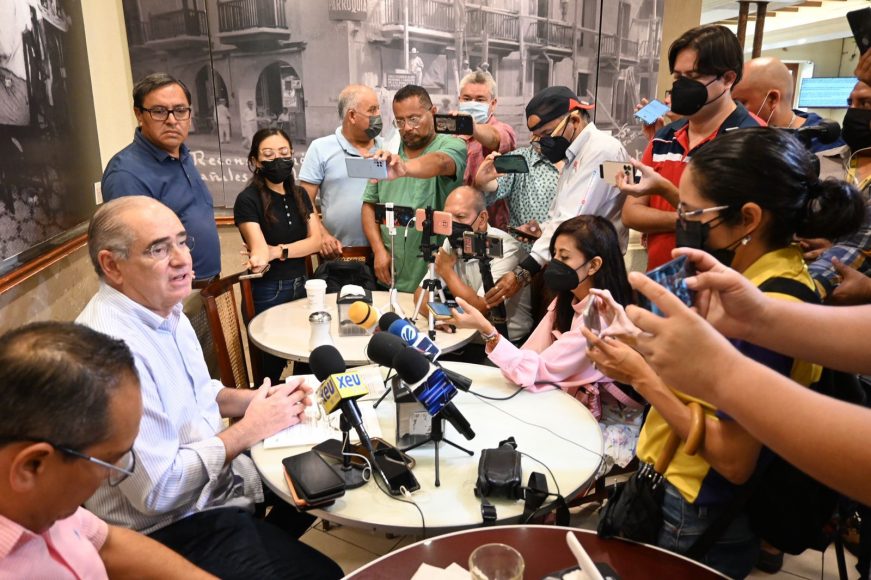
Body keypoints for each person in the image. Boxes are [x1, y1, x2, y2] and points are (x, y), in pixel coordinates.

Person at [583, 128, 864, 578]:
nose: (681, 222)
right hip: (675, 482)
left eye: (691, 213)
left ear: (748, 218)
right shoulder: (748, 282)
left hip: (694, 505)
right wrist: (639, 340)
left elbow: (733, 461)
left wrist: (641, 377)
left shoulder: (776, 298)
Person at [76, 196, 342, 580]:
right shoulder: (109, 352)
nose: (183, 259)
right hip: (168, 529)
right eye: (158, 249)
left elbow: (203, 393)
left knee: (331, 471)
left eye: (182, 242)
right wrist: (251, 428)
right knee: (324, 573)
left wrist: (265, 400)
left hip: (211, 488)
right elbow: (159, 492)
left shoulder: (165, 309)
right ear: (112, 265)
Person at [620, 249, 871, 510]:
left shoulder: (782, 285)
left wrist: (719, 372)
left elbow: (734, 462)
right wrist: (758, 318)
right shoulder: (763, 288)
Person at [0, 321, 213, 579]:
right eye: (109, 462)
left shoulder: (44, 504)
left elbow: (106, 542)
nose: (114, 473)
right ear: (31, 466)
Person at [447, 216, 640, 433]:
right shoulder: (567, 299)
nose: (555, 262)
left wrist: (487, 330)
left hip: (604, 423)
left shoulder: (600, 317)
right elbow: (532, 352)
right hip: (567, 402)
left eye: (564, 257)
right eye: (554, 254)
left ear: (594, 265)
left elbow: (538, 370)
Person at [619, 25, 761, 272]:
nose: (682, 86)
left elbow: (731, 225)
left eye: (693, 77)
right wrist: (689, 219)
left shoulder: (751, 139)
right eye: (678, 78)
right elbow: (632, 214)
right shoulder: (664, 137)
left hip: (718, 283)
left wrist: (666, 195)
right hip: (661, 277)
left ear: (728, 79)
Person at [485, 86, 629, 307]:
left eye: (547, 134)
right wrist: (542, 230)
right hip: (577, 267)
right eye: (538, 136)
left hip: (596, 270)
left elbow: (573, 217)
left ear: (574, 120)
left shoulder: (601, 150)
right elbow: (561, 213)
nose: (542, 143)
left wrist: (523, 272)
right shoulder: (574, 155)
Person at [101, 73, 221, 282]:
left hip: (205, 285)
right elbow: (132, 253)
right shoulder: (126, 174)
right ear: (139, 114)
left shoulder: (182, 155)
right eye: (159, 111)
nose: (172, 120)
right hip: (171, 292)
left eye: (180, 111)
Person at [234, 128, 322, 383]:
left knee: (309, 359)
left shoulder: (301, 194)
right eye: (269, 155)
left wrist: (278, 251)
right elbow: (259, 249)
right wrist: (263, 255)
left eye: (284, 153)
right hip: (268, 291)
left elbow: (316, 242)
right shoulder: (247, 200)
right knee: (269, 370)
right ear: (255, 161)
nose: (278, 160)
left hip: (303, 287)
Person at [361, 84, 467, 292]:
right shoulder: (388, 152)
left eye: (414, 119)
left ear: (433, 112)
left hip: (433, 276)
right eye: (400, 121)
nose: (407, 127)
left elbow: (441, 162)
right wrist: (379, 250)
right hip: (390, 273)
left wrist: (404, 168)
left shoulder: (453, 145)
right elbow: (369, 205)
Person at [418, 186, 532, 344]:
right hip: (463, 336)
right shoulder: (451, 242)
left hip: (505, 342)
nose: (453, 224)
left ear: (482, 218)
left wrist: (446, 271)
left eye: (460, 216)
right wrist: (440, 318)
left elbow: (481, 309)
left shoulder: (504, 247)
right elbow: (420, 296)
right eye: (448, 217)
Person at [805, 80, 871, 305]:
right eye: (850, 103)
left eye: (865, 103)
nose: (852, 111)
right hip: (802, 278)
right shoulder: (816, 162)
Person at [299, 84, 383, 259]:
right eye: (372, 110)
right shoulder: (320, 148)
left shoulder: (388, 148)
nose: (378, 115)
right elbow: (303, 201)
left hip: (384, 254)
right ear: (352, 115)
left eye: (378, 108)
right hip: (338, 254)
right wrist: (322, 235)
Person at [473, 103, 561, 238]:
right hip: (525, 246)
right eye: (536, 134)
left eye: (547, 132)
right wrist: (483, 182)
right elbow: (495, 185)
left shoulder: (581, 160)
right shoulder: (521, 159)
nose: (540, 139)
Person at [731, 56, 846, 153]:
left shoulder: (826, 145)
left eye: (741, 103)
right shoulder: (745, 134)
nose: (734, 110)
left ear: (772, 99)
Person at [454, 71, 516, 228]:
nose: (472, 103)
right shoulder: (451, 135)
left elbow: (495, 138)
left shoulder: (503, 129)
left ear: (493, 104)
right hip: (454, 220)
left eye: (480, 100)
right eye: (467, 99)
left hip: (491, 224)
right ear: (459, 100)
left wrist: (472, 127)